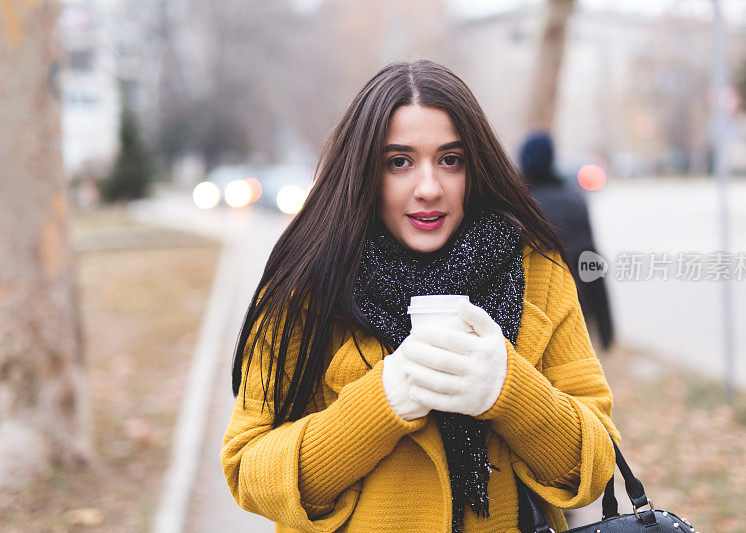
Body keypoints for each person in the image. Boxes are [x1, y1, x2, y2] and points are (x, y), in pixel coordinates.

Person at [221, 60, 620, 533]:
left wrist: (510, 392)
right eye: (399, 162)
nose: (429, 188)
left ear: (475, 167)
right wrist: (383, 402)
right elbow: (248, 469)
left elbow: (595, 464)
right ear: (365, 171)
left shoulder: (535, 267)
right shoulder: (310, 282)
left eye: (451, 159)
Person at [518, 132, 615, 352]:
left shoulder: (517, 204)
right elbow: (590, 263)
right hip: (573, 311)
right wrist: (606, 327)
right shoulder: (573, 201)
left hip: (528, 317)